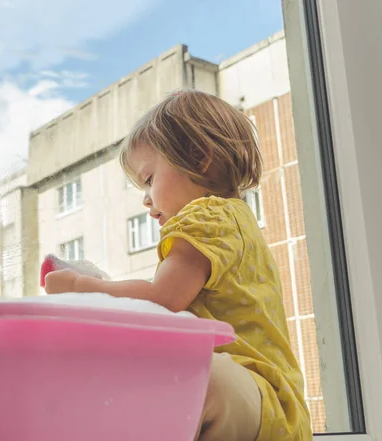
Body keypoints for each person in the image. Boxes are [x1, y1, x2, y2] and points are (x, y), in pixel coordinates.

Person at [44, 89, 312, 441]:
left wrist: (83, 288)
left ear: (199, 158)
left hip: (258, 398)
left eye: (150, 179)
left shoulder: (209, 216)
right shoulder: (234, 220)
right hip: (274, 407)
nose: (145, 199)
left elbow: (161, 301)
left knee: (183, 381)